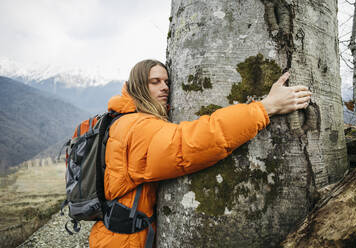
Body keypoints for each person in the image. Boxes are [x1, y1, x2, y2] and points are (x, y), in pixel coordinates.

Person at [89, 59, 312, 248]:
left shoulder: (122, 119)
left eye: (167, 81)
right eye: (154, 82)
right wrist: (265, 108)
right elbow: (191, 143)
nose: (165, 87)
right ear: (138, 86)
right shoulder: (137, 128)